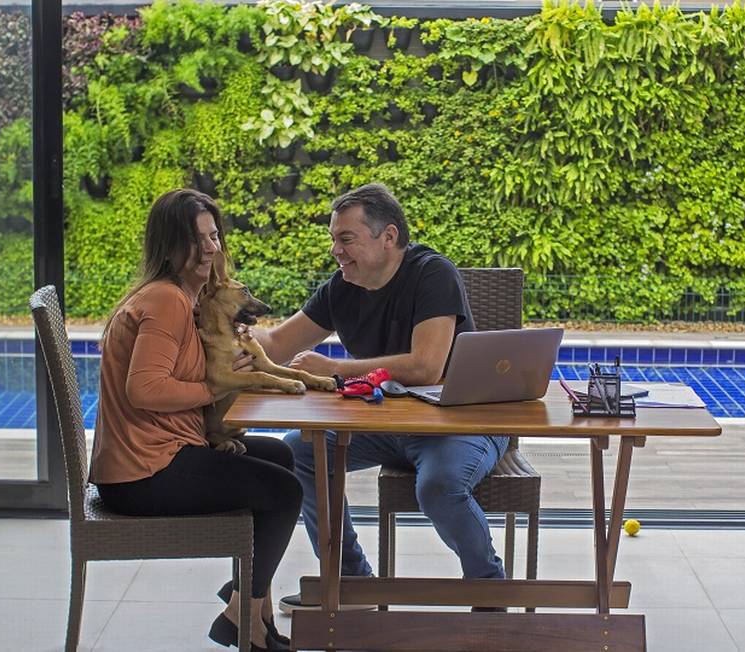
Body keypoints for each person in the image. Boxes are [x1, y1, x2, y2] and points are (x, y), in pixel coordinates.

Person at [245, 183, 509, 613]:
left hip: (458, 425)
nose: (335, 250)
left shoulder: (432, 273)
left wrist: (334, 369)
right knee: (299, 452)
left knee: (439, 487)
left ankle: (490, 593)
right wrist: (219, 332)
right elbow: (274, 344)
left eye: (345, 238)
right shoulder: (341, 288)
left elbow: (428, 366)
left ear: (388, 237)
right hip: (390, 424)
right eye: (333, 239)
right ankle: (350, 583)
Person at [89, 188, 295, 651]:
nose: (209, 248)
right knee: (284, 491)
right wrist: (217, 388)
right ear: (168, 245)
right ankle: (246, 616)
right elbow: (144, 389)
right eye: (195, 239)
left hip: (155, 458)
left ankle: (250, 604)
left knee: (281, 455)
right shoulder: (167, 301)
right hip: (143, 473)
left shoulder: (187, 298)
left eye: (214, 236)